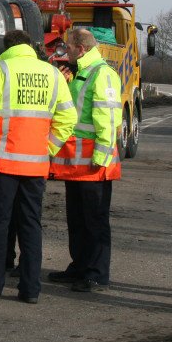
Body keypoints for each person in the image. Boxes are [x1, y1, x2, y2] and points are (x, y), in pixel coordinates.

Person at [0, 30, 77, 303]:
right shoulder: (52, 74)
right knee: (31, 226)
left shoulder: (1, 69)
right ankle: (30, 291)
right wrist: (49, 147)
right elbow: (68, 117)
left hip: (2, 163)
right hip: (35, 166)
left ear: (7, 47)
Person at [48, 28, 122, 293]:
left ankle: (96, 273)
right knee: (77, 219)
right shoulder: (80, 73)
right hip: (78, 166)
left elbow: (109, 119)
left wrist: (101, 158)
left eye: (68, 47)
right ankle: (79, 266)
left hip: (94, 166)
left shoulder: (102, 74)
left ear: (80, 49)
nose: (64, 51)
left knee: (95, 221)